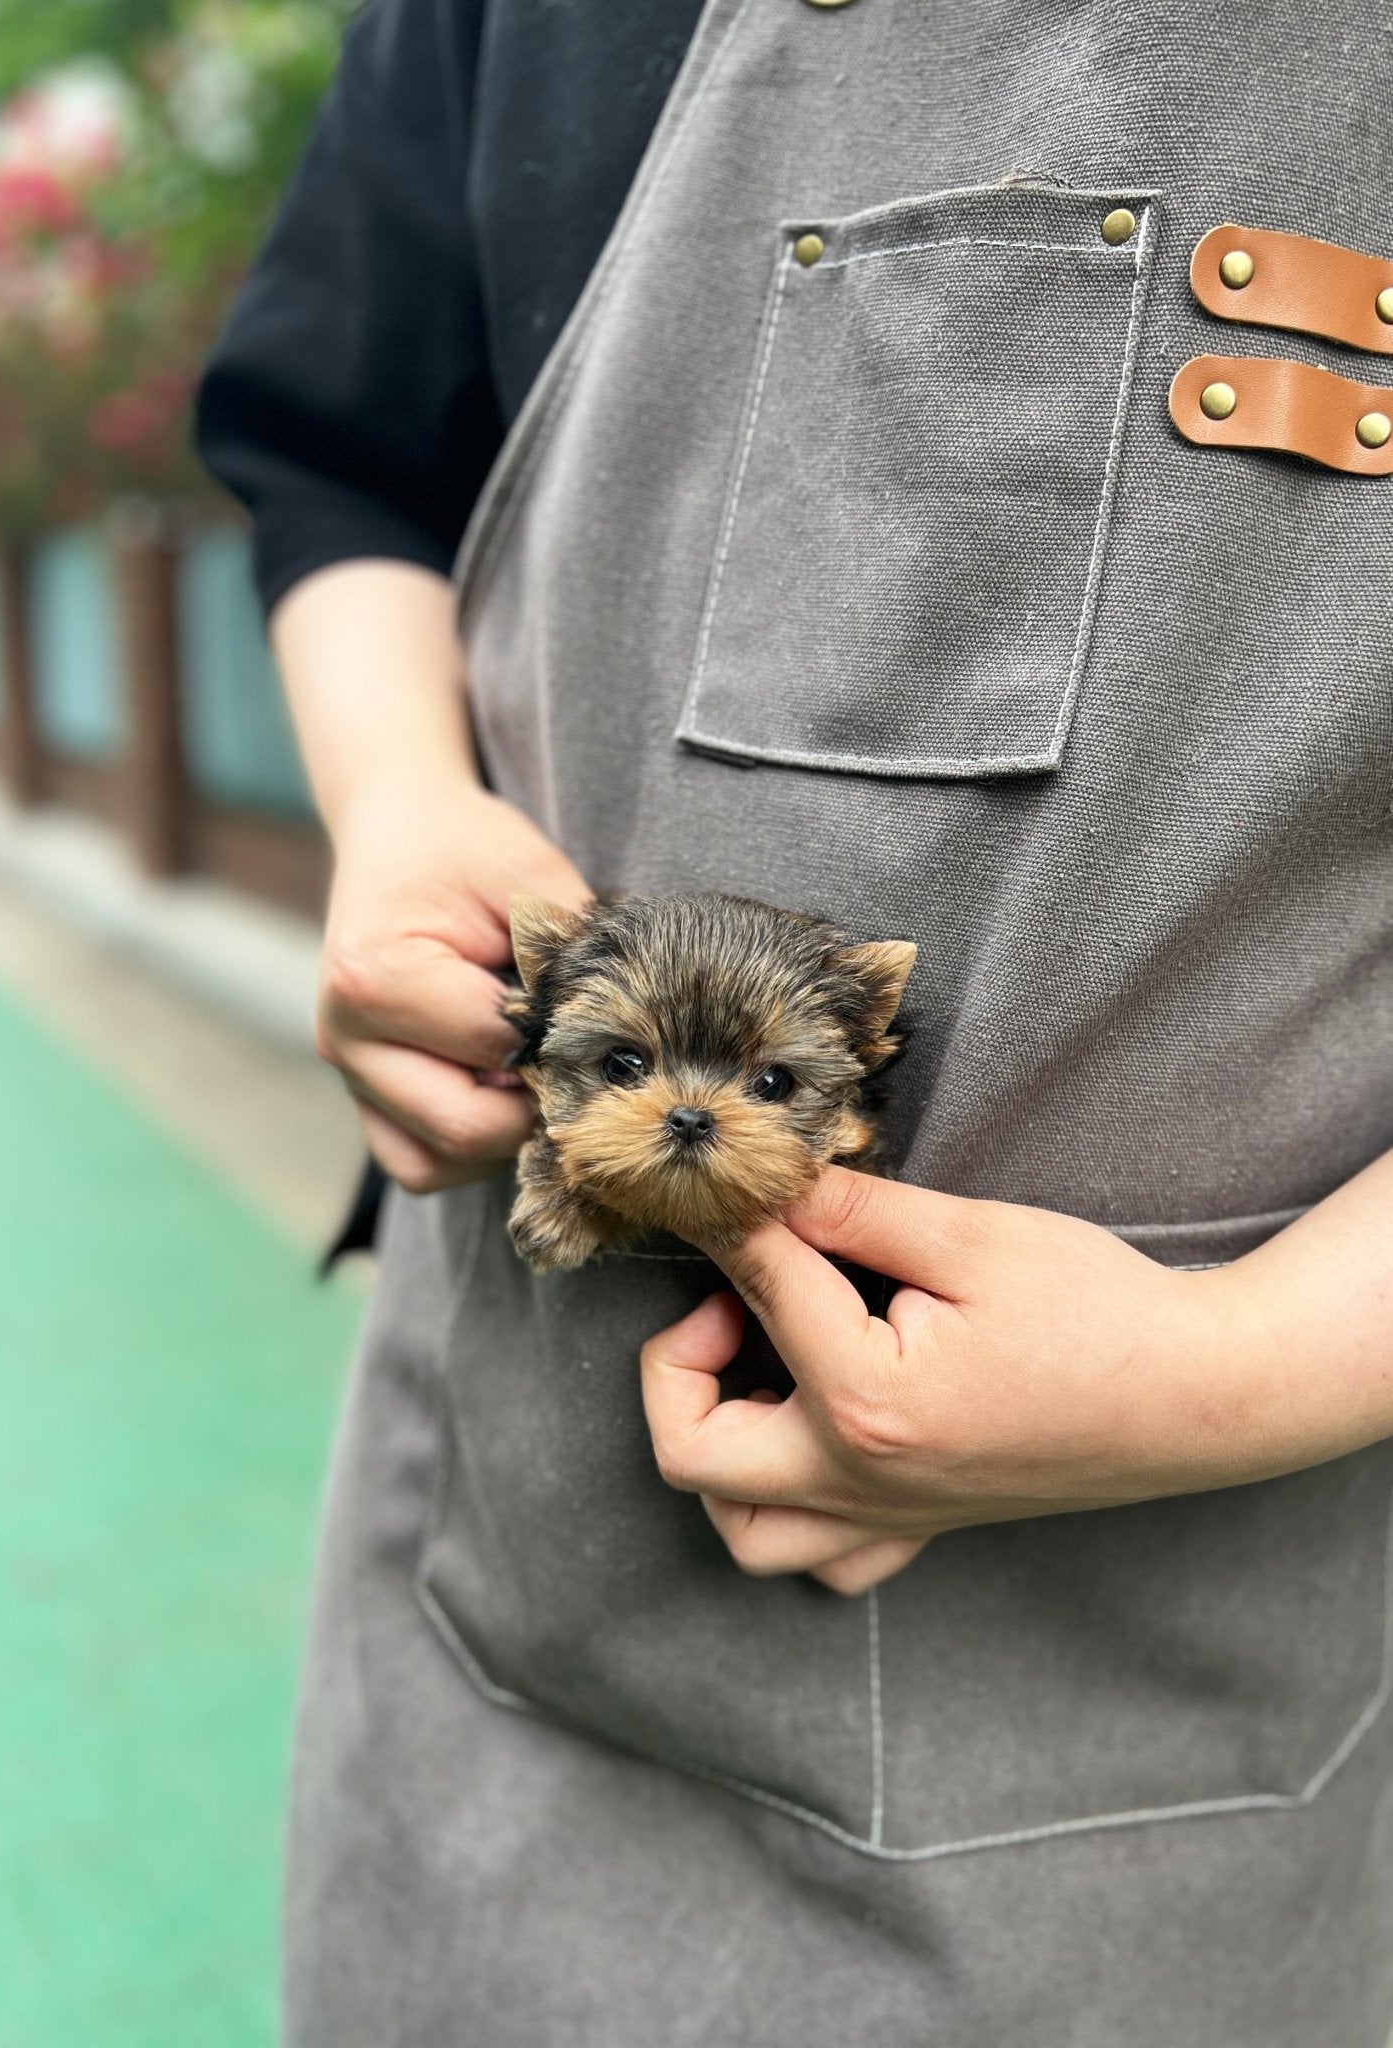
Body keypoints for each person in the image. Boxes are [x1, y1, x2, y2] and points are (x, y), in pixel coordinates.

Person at [196, 2, 1393, 2041]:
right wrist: (398, 798)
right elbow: (342, 446)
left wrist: (1246, 1359)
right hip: (494, 1563)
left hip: (1178, 1702)